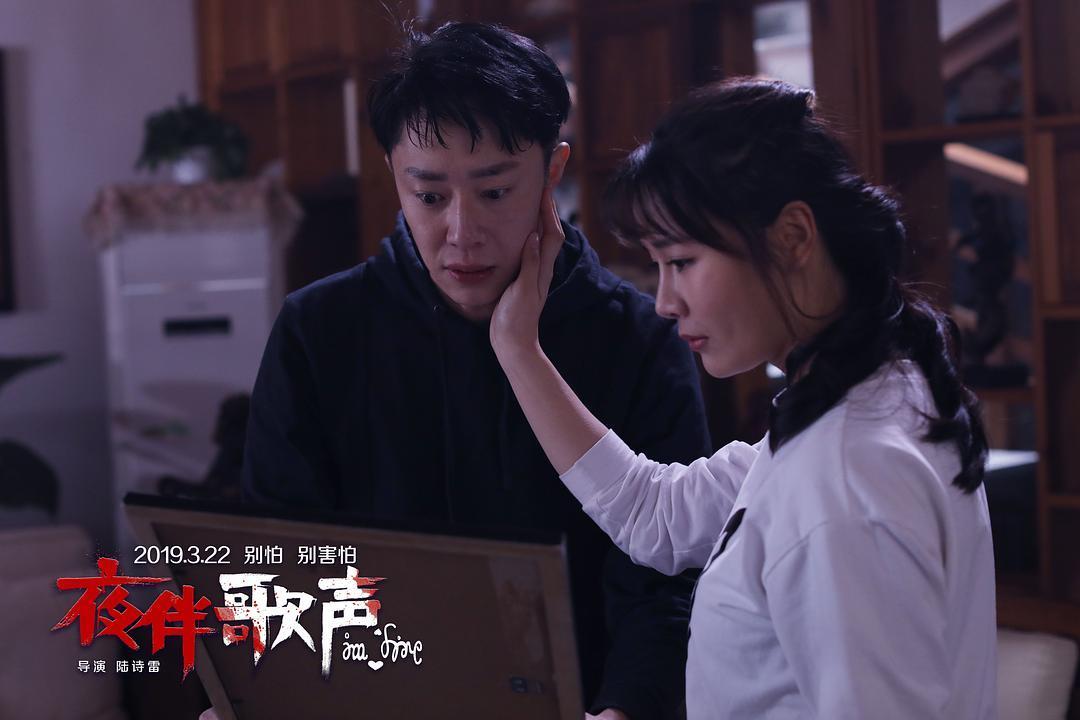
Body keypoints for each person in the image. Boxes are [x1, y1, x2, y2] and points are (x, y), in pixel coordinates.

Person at [238, 22, 710, 720]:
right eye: (429, 196)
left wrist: (625, 709)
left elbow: (667, 584)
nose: (461, 233)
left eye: (494, 192)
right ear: (395, 176)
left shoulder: (637, 339)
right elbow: (275, 562)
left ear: (552, 171)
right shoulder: (318, 331)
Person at [488, 78, 996, 719]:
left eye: (682, 261)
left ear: (793, 237)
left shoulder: (846, 474)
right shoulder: (862, 397)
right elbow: (656, 516)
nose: (665, 302)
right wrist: (517, 347)